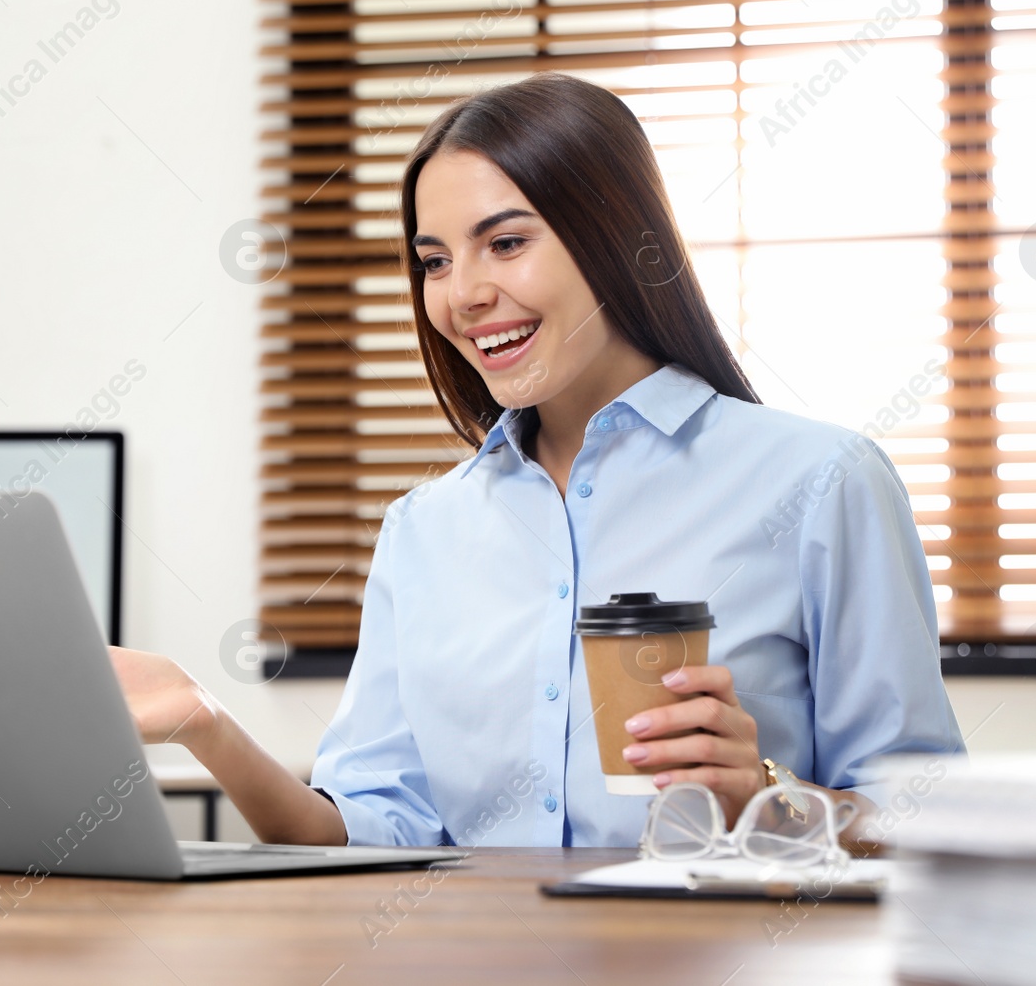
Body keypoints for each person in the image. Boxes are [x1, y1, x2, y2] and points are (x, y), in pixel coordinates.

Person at [109, 72, 964, 848]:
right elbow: (369, 832)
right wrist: (205, 720)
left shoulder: (822, 481)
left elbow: (928, 816)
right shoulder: (425, 531)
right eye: (434, 261)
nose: (463, 293)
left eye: (506, 242)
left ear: (614, 236)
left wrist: (766, 794)